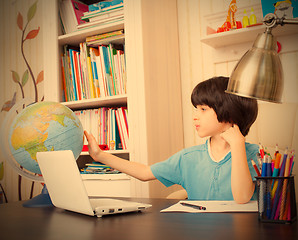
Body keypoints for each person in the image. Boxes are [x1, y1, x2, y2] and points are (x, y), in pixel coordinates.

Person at [84, 76, 259, 203]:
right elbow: (145, 173)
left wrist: (237, 144)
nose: (195, 116)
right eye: (195, 109)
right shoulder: (189, 158)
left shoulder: (256, 156)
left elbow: (242, 197)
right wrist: (100, 156)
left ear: (229, 112)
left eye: (203, 109)